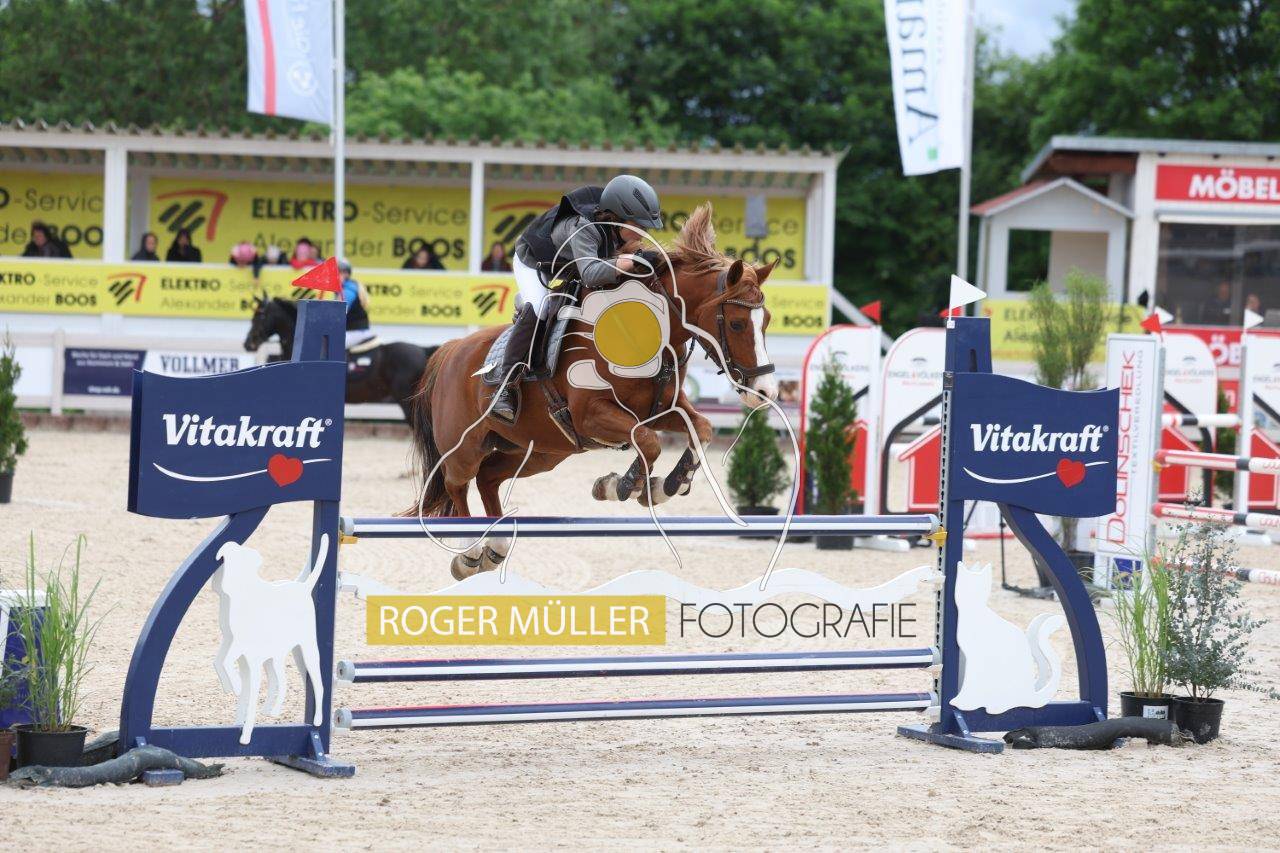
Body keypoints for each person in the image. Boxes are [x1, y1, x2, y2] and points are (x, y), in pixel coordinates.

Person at [489, 174, 663, 423]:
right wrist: (630, 261)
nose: (642, 234)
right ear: (618, 217)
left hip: (569, 265)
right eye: (638, 227)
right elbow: (591, 274)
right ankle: (505, 387)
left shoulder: (612, 227)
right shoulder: (584, 228)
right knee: (540, 307)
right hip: (534, 262)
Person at [339, 260, 374, 348]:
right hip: (355, 331)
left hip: (355, 332)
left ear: (346, 274)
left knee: (331, 345)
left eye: (338, 272)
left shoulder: (348, 291)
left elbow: (338, 314)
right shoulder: (346, 287)